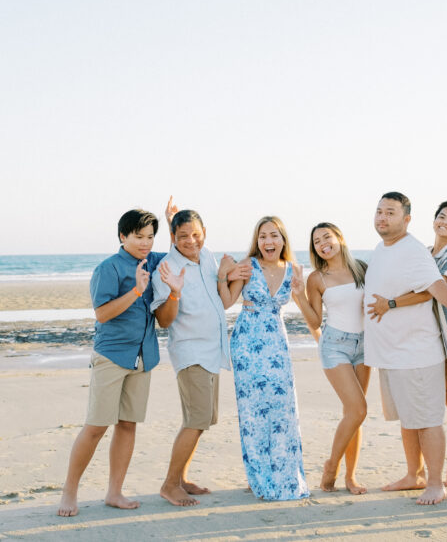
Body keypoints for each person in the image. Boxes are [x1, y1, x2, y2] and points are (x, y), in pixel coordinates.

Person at [364, 191, 447, 505]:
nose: (382, 217)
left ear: (406, 219)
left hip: (437, 346)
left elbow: (435, 288)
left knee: (445, 413)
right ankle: (424, 472)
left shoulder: (423, 252)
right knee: (424, 413)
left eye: (390, 212)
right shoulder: (394, 249)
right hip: (411, 349)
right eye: (379, 211)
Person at [57, 207, 167, 517]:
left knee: (128, 425)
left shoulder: (154, 260)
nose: (145, 243)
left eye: (150, 237)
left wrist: (172, 220)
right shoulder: (108, 268)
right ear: (123, 236)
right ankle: (69, 492)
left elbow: (178, 250)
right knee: (95, 427)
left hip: (144, 356)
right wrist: (136, 290)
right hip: (112, 356)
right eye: (138, 237)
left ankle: (114, 492)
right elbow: (102, 314)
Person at [150, 204, 250, 507]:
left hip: (213, 350)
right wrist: (174, 292)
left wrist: (234, 273)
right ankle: (169, 485)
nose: (191, 241)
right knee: (196, 420)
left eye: (196, 234)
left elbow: (221, 295)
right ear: (172, 237)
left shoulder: (206, 257)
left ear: (204, 233)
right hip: (191, 351)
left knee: (200, 420)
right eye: (183, 236)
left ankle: (181, 478)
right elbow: (164, 321)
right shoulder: (166, 269)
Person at [219, 216, 310, 500]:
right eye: (262, 236)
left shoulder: (294, 268)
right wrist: (224, 275)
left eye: (273, 235)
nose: (268, 241)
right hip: (247, 342)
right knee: (253, 412)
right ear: (257, 241)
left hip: (278, 343)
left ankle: (286, 474)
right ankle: (259, 476)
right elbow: (225, 302)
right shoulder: (247, 265)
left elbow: (304, 305)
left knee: (284, 409)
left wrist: (301, 291)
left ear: (283, 239)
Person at [292, 222, 371, 495]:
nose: (323, 243)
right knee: (359, 409)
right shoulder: (317, 278)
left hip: (365, 346)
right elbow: (314, 320)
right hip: (335, 345)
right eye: (316, 241)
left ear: (339, 238)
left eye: (327, 236)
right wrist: (299, 296)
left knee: (353, 414)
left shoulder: (361, 268)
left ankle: (351, 477)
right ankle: (331, 466)